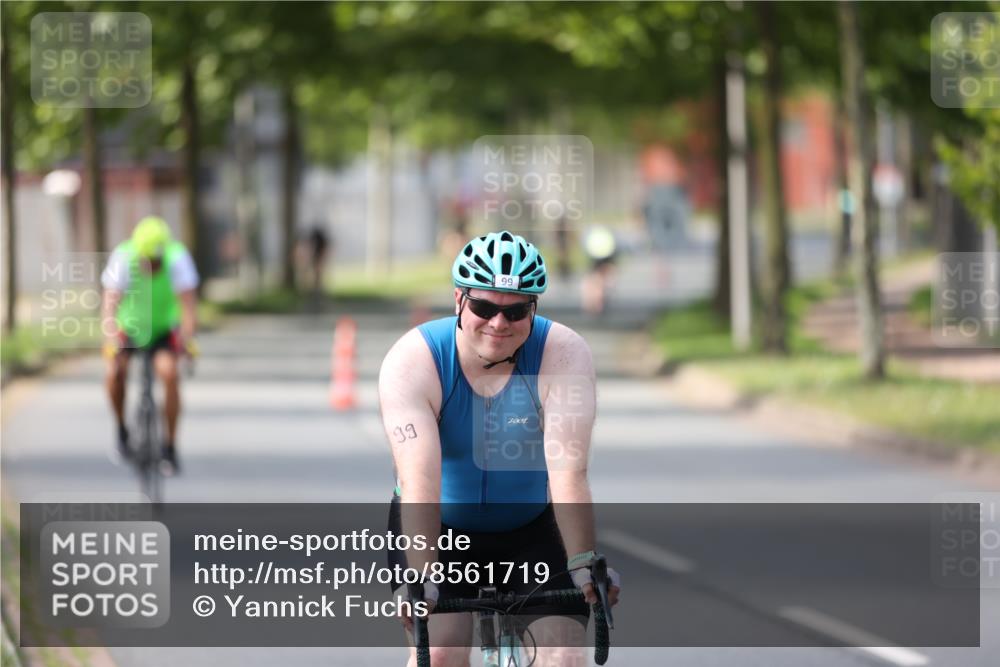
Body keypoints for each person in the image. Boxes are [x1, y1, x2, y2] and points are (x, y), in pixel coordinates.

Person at [378, 230, 619, 667]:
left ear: (534, 308)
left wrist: (583, 561)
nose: (498, 323)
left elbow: (568, 471)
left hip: (532, 529)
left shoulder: (562, 354)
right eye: (484, 308)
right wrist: (421, 575)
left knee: (564, 655)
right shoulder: (414, 360)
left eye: (515, 311)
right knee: (442, 653)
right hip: (441, 530)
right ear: (458, 300)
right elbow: (420, 482)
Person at [101, 216, 199, 475]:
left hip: (163, 329)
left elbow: (188, 308)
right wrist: (111, 335)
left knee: (169, 374)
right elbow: (110, 304)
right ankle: (122, 429)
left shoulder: (177, 259)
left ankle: (170, 446)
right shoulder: (123, 258)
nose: (152, 267)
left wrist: (187, 341)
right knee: (114, 373)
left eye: (157, 262)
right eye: (148, 261)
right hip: (130, 327)